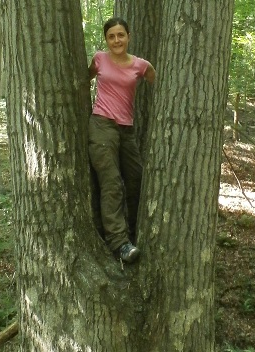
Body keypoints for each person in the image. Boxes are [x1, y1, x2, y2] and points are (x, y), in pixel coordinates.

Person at [88, 17, 156, 264]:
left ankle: (136, 232)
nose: (116, 40)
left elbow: (161, 85)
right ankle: (119, 243)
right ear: (106, 40)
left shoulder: (141, 65)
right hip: (101, 125)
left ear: (128, 36)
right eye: (111, 36)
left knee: (137, 180)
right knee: (112, 182)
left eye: (120, 35)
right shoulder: (99, 59)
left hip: (127, 130)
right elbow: (84, 80)